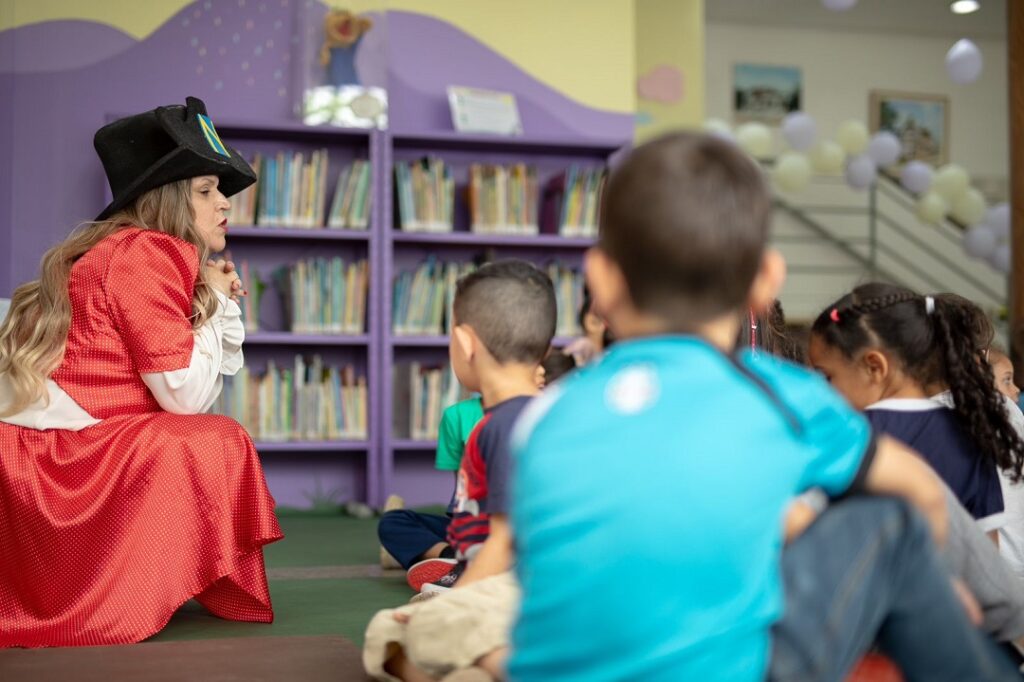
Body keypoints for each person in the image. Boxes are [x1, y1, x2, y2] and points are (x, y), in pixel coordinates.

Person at [508, 132, 1018, 681]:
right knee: (889, 519)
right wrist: (938, 595)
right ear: (766, 282)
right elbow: (917, 491)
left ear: (599, 281)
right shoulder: (781, 396)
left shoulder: (543, 416)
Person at [0, 96, 282, 647]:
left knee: (204, 437)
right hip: (62, 458)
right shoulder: (149, 253)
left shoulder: (120, 250)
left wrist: (207, 297)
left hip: (43, 449)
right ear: (169, 201)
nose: (224, 203)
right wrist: (220, 303)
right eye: (205, 191)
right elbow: (183, 396)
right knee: (215, 439)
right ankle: (125, 589)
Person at [364, 259, 556, 681]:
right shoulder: (543, 417)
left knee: (386, 633)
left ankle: (508, 667)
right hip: (527, 592)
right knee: (422, 625)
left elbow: (505, 543)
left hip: (510, 594)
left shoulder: (502, 426)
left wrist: (455, 601)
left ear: (465, 343)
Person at [808, 283, 1024, 534]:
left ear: (875, 367)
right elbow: (986, 554)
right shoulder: (975, 431)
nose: (819, 390)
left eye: (826, 377)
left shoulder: (851, 437)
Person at [378, 395, 484, 584]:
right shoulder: (458, 415)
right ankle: (451, 558)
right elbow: (461, 488)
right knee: (392, 521)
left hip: (515, 529)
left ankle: (438, 558)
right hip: (473, 527)